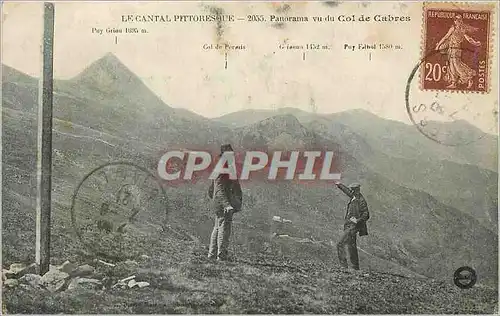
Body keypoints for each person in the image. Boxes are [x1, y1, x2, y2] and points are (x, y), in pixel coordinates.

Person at [207, 144, 243, 261]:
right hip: (223, 204)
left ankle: (213, 255)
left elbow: (211, 190)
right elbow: (219, 189)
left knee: (218, 227)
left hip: (220, 203)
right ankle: (221, 256)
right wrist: (227, 204)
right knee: (224, 228)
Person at [435, 14, 482, 89]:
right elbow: (446, 37)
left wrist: (475, 43)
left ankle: (469, 78)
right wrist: (438, 46)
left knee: (457, 65)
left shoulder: (461, 29)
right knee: (452, 66)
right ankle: (454, 83)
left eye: (460, 20)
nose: (459, 21)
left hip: (456, 50)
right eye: (457, 20)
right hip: (451, 49)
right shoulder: (453, 28)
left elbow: (468, 38)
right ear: (455, 21)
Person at [334, 182, 369, 270]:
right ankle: (355, 267)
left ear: (356, 190)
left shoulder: (361, 200)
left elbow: (366, 214)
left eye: (353, 189)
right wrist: (339, 185)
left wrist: (357, 220)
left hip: (352, 227)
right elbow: (347, 191)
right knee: (351, 246)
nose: (351, 191)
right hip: (349, 225)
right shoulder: (354, 196)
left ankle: (343, 266)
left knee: (340, 243)